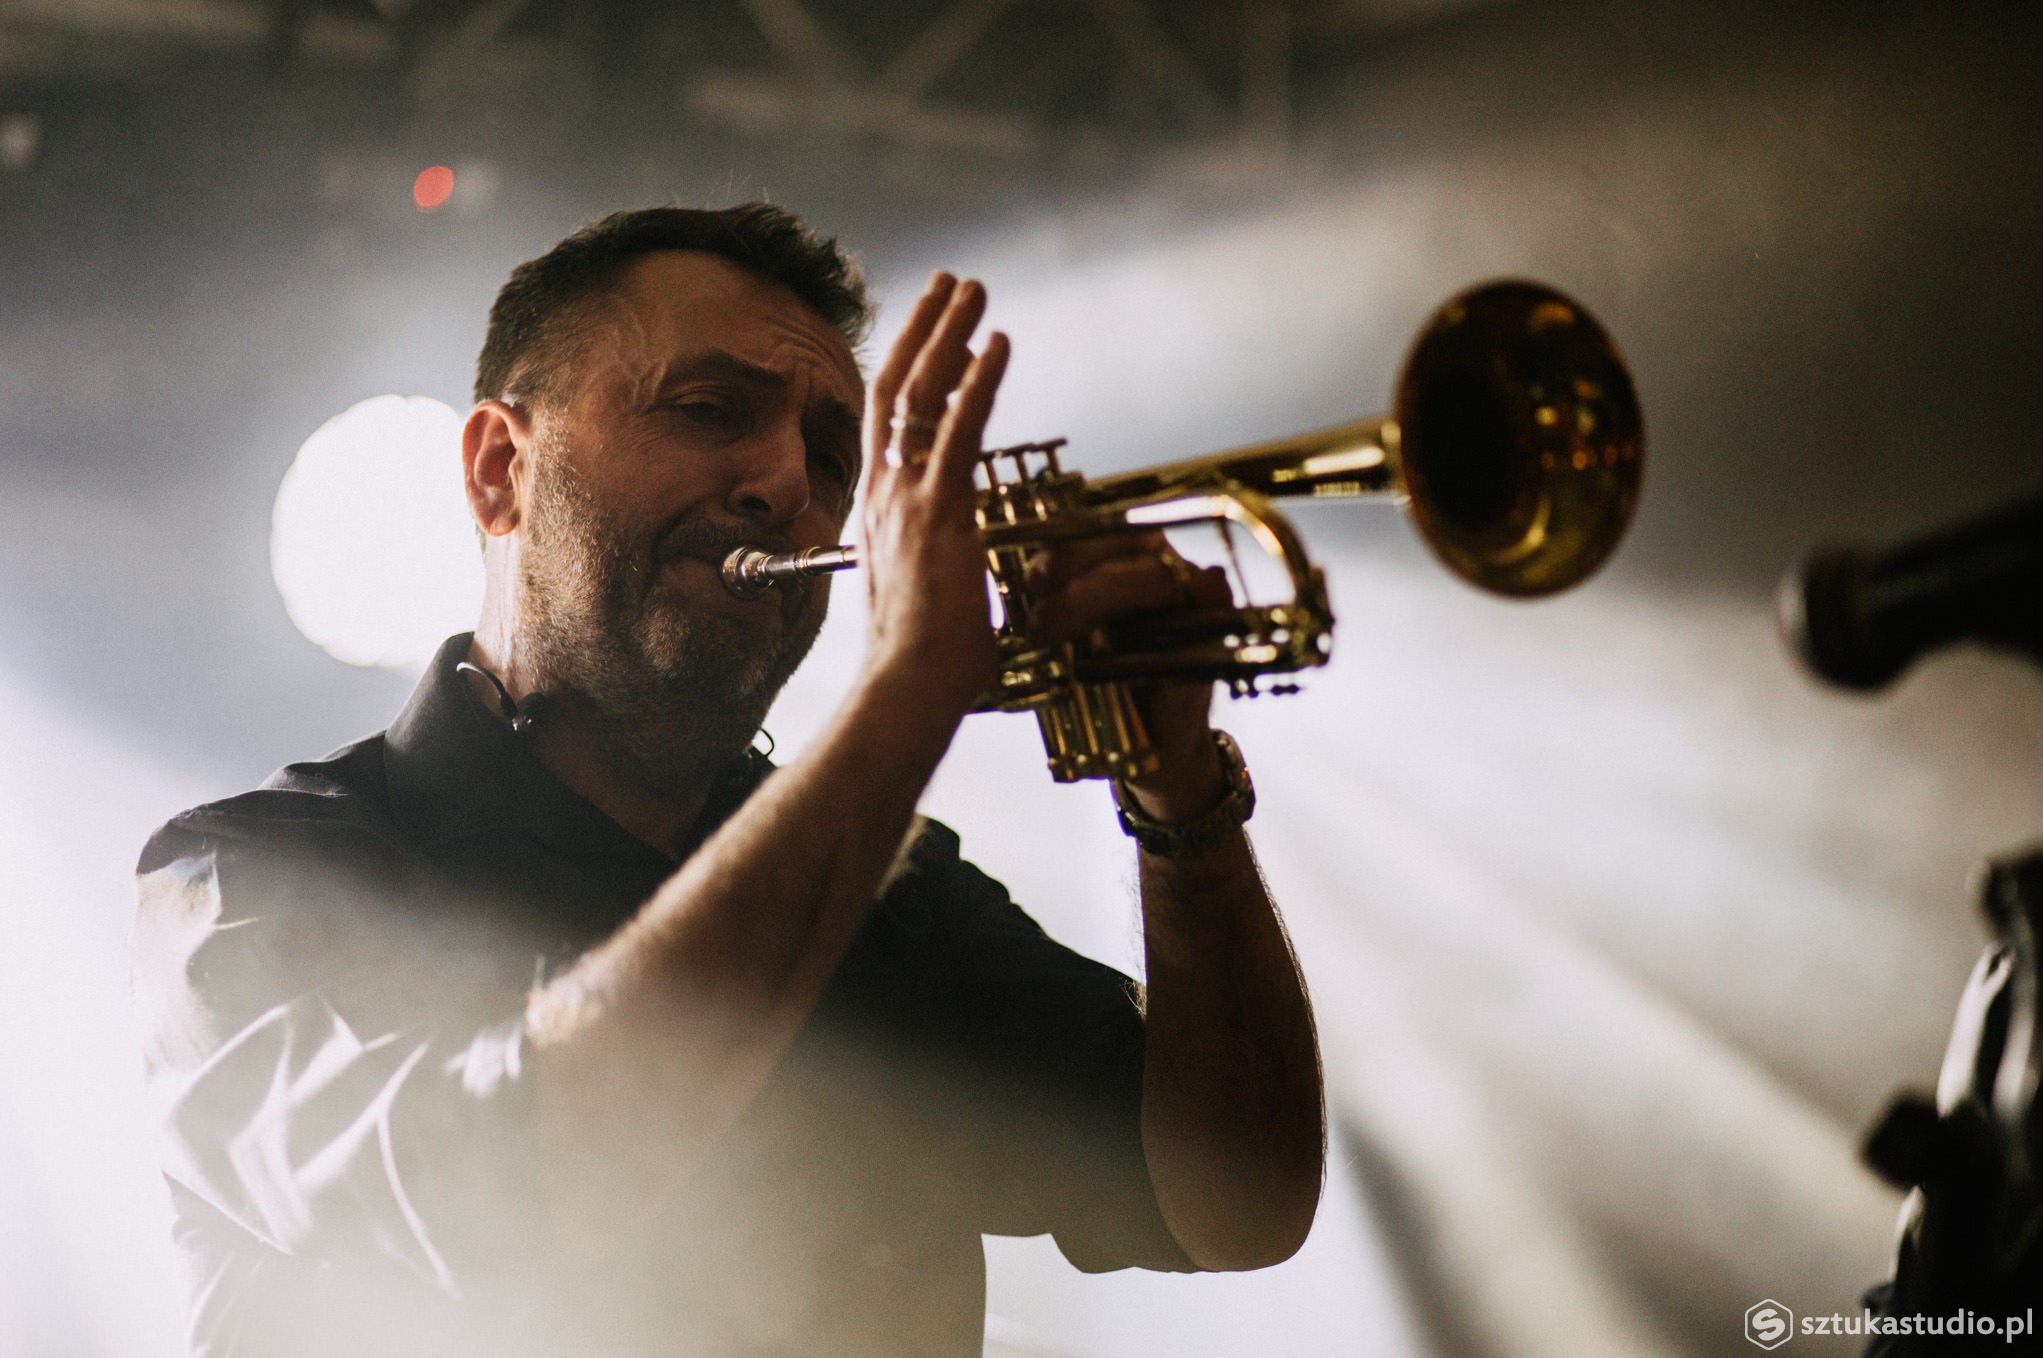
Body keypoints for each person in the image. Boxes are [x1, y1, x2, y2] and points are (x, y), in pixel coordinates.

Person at [133, 204, 1324, 1358]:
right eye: (708, 409)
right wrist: (904, 694)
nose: (785, 485)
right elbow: (496, 1180)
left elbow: (1234, 1203)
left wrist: (1183, 805)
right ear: (500, 469)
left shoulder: (893, 892)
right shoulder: (253, 872)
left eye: (828, 451)